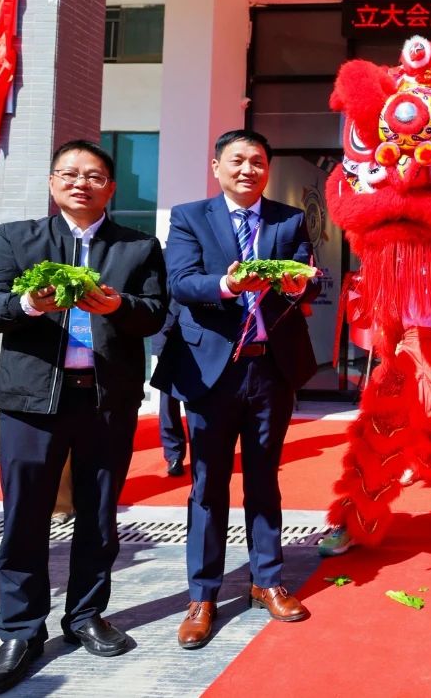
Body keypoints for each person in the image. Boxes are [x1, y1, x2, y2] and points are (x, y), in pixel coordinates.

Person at [0, 141, 167, 695]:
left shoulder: (138, 246)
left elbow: (156, 314)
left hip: (105, 399)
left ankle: (85, 616)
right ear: (53, 182)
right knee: (25, 517)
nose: (81, 183)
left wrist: (120, 307)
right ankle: (20, 630)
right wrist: (31, 304)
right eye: (70, 173)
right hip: (32, 400)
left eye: (94, 175)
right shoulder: (19, 238)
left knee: (99, 515)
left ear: (111, 187)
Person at [152, 129, 320, 650]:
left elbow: (311, 276)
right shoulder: (190, 217)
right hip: (211, 371)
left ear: (268, 169)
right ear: (217, 166)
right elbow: (180, 282)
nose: (248, 170)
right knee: (208, 485)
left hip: (270, 369)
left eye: (258, 161)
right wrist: (227, 285)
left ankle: (266, 581)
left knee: (264, 479)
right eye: (238, 160)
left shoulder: (288, 219)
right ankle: (202, 595)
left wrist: (301, 284)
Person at [151, 300, 187, 477]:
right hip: (168, 331)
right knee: (168, 398)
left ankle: (206, 451)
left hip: (205, 332)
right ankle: (174, 454)